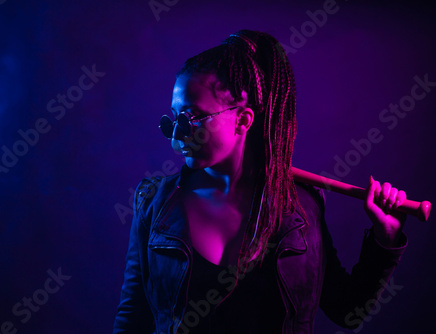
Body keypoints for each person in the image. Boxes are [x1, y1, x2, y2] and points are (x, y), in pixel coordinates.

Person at [113, 29, 408, 334]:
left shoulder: (302, 207)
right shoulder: (154, 202)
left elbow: (348, 311)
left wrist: (384, 239)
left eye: (191, 119)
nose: (176, 135)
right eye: (172, 120)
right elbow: (133, 317)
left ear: (242, 119)